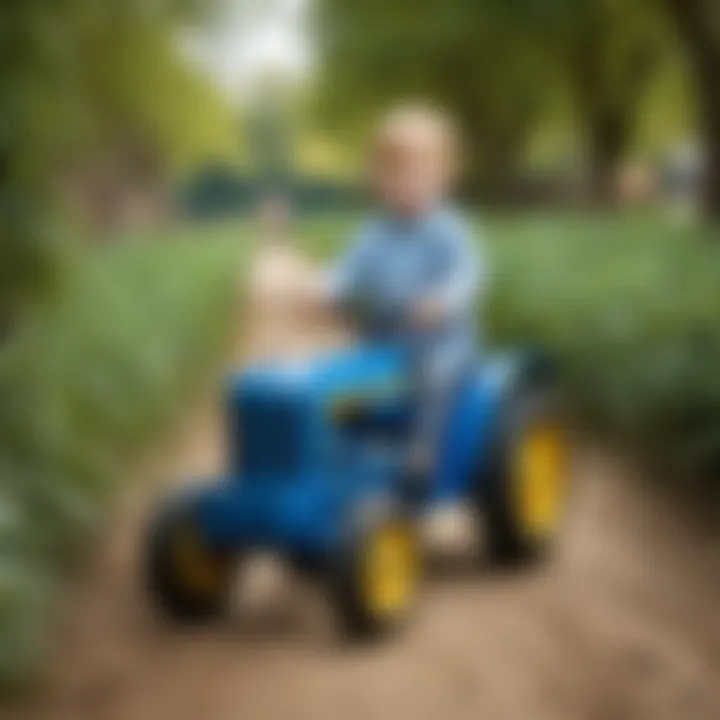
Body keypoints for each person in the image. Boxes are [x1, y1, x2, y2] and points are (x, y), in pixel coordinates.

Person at [318, 104, 485, 503]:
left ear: (444, 176)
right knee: (342, 383)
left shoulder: (449, 229)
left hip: (443, 343)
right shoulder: (373, 233)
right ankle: (345, 458)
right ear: (378, 179)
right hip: (384, 341)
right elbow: (347, 269)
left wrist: (443, 301)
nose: (409, 182)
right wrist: (326, 288)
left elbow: (469, 274)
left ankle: (422, 452)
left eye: (422, 171)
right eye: (396, 172)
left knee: (435, 375)